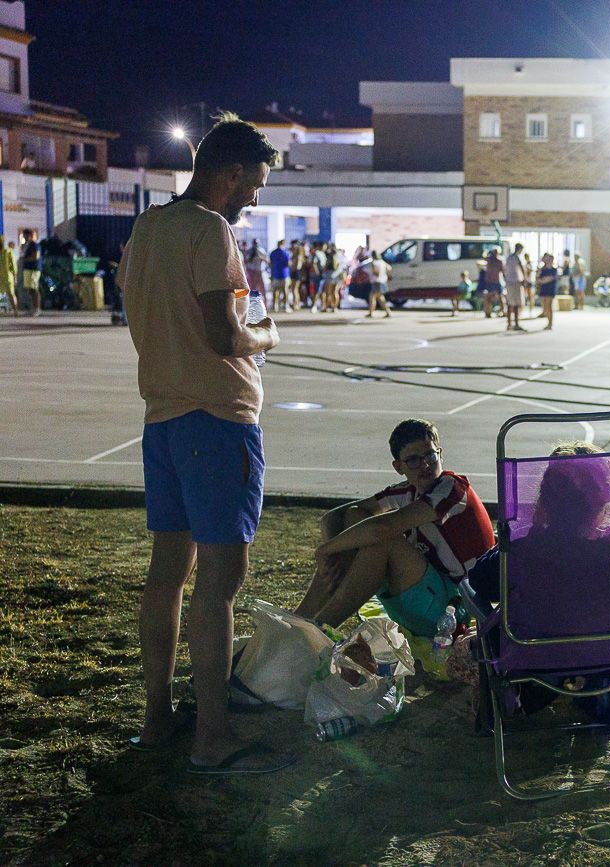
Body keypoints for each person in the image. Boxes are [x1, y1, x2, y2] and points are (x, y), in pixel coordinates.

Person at [119, 114, 291, 775]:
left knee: (166, 576)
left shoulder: (149, 226)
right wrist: (266, 334)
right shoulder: (210, 229)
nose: (257, 197)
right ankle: (212, 736)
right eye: (258, 183)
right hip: (216, 420)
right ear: (232, 173)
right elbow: (225, 335)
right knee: (219, 583)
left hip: (161, 417)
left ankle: (157, 717)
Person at [465, 441, 610, 725]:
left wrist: (517, 540)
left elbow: (480, 583)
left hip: (534, 666)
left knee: (489, 622)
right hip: (608, 668)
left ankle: (501, 711)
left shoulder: (521, 554)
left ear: (545, 498)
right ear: (604, 496)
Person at [297, 418, 495, 637]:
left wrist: (325, 550)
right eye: (413, 460)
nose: (425, 465)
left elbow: (383, 527)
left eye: (430, 455)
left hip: (457, 609)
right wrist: (332, 556)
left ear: (440, 454)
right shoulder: (407, 491)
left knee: (382, 541)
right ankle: (299, 620)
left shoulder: (452, 489)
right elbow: (337, 516)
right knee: (357, 519)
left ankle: (318, 627)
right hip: (426, 598)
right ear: (398, 467)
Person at [504, 243, 526, 330]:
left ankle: (509, 323)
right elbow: (521, 268)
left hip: (509, 281)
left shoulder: (509, 257)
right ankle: (516, 323)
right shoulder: (517, 257)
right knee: (516, 303)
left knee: (510, 303)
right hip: (516, 282)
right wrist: (524, 279)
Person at [19, 229, 40, 316]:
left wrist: (25, 259)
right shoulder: (27, 245)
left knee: (34, 289)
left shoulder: (34, 245)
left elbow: (35, 257)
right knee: (30, 289)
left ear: (30, 235)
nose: (24, 237)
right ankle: (32, 308)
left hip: (33, 269)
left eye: (25, 235)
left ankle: (37, 308)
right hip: (27, 269)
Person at [536, 252, 559, 329]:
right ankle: (548, 322)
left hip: (550, 289)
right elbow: (538, 279)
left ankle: (550, 324)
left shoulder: (554, 270)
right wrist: (544, 280)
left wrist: (544, 280)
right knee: (545, 307)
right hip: (543, 289)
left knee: (549, 307)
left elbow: (551, 278)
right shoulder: (542, 269)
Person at [367, 250, 392, 318]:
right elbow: (389, 268)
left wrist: (373, 273)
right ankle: (387, 312)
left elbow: (376, 272)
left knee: (372, 297)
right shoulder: (382, 262)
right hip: (383, 281)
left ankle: (371, 313)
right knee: (380, 298)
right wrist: (383, 273)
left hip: (376, 281)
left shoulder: (374, 263)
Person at [268, 239, 291, 314]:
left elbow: (270, 264)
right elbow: (288, 263)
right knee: (285, 290)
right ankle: (285, 306)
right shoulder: (286, 252)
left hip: (275, 273)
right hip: (284, 274)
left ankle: (275, 305)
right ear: (283, 244)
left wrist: (271, 274)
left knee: (275, 290)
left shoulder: (273, 253)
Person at [483, 247, 504, 318]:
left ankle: (501, 311)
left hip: (494, 281)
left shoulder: (491, 260)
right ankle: (489, 311)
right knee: (491, 297)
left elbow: (502, 271)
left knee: (499, 297)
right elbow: (503, 271)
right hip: (493, 281)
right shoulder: (497, 260)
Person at [1, 238, 16, 317]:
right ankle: (15, 311)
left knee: (10, 294)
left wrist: (14, 274)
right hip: (5, 276)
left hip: (6, 276)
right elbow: (13, 264)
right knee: (11, 294)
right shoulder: (7, 251)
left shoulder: (7, 251)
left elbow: (13, 264)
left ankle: (15, 311)